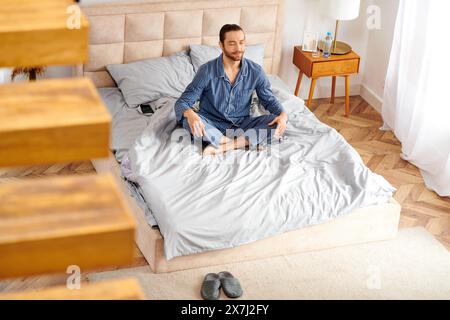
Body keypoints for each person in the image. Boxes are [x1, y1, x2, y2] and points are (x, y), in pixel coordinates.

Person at [174, 24, 288, 156]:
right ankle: (243, 142)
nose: (238, 48)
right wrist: (191, 114)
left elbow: (269, 100)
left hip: (242, 124)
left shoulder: (255, 71)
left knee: (277, 122)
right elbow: (182, 103)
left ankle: (222, 147)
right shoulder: (206, 71)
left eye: (241, 43)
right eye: (232, 44)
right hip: (211, 124)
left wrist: (283, 115)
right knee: (188, 120)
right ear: (221, 45)